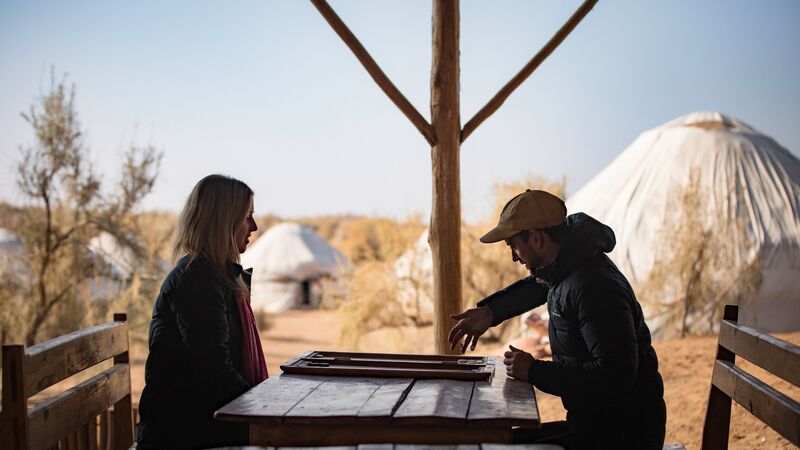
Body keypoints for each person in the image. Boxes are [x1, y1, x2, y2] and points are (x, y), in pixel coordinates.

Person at [448, 189, 666, 450]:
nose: (514, 257)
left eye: (514, 246)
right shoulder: (568, 265)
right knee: (493, 442)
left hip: (622, 436)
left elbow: (615, 376)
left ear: (537, 239)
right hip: (598, 425)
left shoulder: (594, 286)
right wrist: (490, 312)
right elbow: (537, 286)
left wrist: (534, 371)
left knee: (490, 447)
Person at [136, 174, 267, 450]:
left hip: (200, 422)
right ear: (224, 222)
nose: (253, 226)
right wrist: (267, 405)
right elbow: (216, 376)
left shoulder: (218, 277)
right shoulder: (197, 280)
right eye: (247, 216)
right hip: (183, 433)